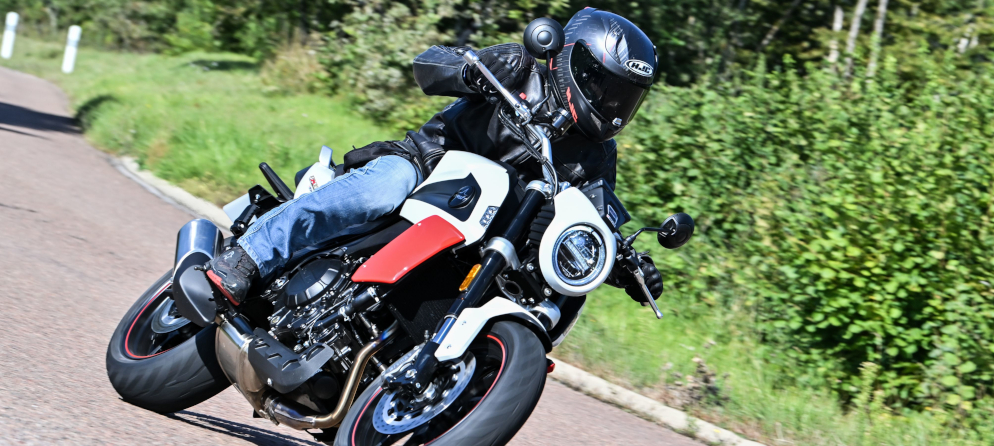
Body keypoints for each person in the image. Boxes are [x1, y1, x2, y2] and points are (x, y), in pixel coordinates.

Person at [205, 7, 664, 307]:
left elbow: (590, 222)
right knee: (381, 188)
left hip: (482, 232)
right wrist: (469, 71)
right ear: (571, 61)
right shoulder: (521, 69)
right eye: (604, 86)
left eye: (624, 96)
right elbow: (429, 65)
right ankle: (247, 257)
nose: (611, 103)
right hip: (425, 168)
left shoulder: (598, 156)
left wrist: (627, 266)